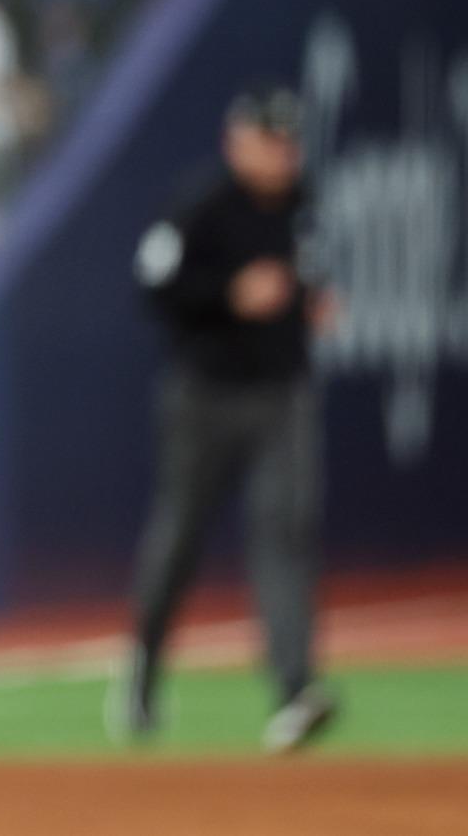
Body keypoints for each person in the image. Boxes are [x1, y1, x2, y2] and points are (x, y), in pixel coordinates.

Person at [126, 82, 335, 753]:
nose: (282, 153)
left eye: (288, 141)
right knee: (181, 537)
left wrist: (311, 298)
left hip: (282, 392)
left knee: (287, 529)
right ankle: (144, 674)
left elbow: (303, 277)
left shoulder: (302, 205)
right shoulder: (202, 206)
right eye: (270, 140)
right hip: (205, 394)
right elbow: (152, 280)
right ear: (237, 141)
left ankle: (296, 689)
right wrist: (226, 295)